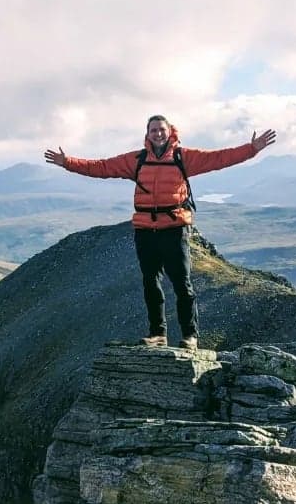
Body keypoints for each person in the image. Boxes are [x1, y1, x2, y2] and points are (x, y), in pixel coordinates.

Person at [44, 115, 276, 348]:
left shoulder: (183, 157)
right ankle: (158, 335)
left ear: (169, 131)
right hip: (145, 229)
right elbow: (102, 167)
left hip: (174, 228)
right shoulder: (137, 159)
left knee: (181, 283)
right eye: (153, 130)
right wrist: (68, 162)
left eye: (161, 129)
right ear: (147, 134)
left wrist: (251, 149)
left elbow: (219, 159)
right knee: (150, 282)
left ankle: (190, 336)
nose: (158, 134)